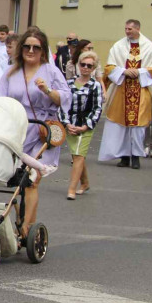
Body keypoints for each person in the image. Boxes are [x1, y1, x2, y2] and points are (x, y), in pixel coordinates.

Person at [0, 28, 72, 235]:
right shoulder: (11, 72)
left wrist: (47, 90)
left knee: (32, 180)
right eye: (27, 46)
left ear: (43, 51)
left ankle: (26, 227)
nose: (31, 50)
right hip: (18, 129)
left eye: (36, 47)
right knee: (18, 179)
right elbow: (1, 99)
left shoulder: (51, 71)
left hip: (43, 129)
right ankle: (24, 220)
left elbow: (65, 98)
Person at [99, 19, 152, 169]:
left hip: (141, 90)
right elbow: (109, 67)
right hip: (122, 89)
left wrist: (139, 71)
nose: (127, 31)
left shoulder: (149, 46)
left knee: (138, 127)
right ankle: (123, 157)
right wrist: (123, 71)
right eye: (126, 29)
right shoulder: (119, 45)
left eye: (129, 29)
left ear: (137, 29)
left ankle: (135, 157)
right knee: (121, 126)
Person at [61, 50, 103, 200]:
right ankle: (84, 182)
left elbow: (97, 108)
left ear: (93, 68)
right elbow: (63, 104)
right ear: (78, 65)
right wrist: (66, 123)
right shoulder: (69, 83)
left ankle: (71, 189)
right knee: (77, 154)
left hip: (85, 125)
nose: (85, 68)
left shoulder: (95, 85)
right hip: (71, 124)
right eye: (83, 64)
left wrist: (87, 125)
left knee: (78, 155)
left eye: (89, 66)